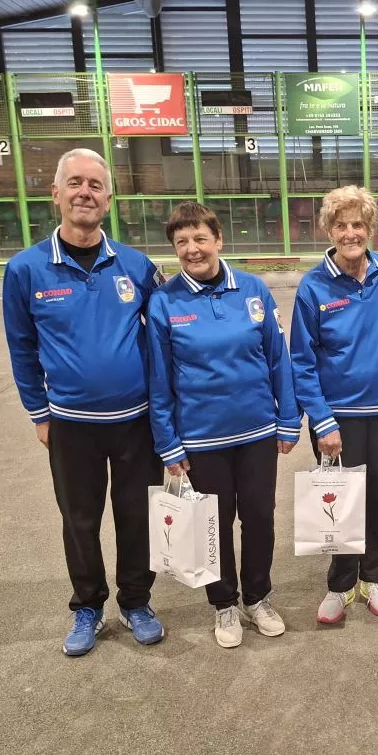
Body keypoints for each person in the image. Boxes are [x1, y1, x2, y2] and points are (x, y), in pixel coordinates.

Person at [2, 147, 165, 657]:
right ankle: (88, 605)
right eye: (75, 183)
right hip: (71, 423)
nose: (84, 193)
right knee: (79, 519)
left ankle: (136, 601)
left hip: (136, 421)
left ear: (109, 199)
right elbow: (21, 347)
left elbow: (165, 339)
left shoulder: (137, 266)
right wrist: (39, 412)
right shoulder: (25, 270)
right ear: (56, 194)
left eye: (95, 185)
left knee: (137, 515)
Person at [146, 202, 301, 649]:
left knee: (260, 518)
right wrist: (168, 443)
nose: (192, 249)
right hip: (200, 438)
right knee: (211, 526)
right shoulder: (164, 302)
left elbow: (278, 359)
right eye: (182, 242)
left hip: (257, 433)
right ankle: (224, 604)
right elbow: (159, 379)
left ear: (218, 240)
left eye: (200, 238)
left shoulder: (252, 290)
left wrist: (289, 418)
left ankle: (258, 598)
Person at [291, 186, 378, 624]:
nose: (350, 233)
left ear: (370, 228)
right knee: (339, 503)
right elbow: (301, 361)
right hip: (337, 417)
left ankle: (374, 578)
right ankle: (340, 585)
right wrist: (321, 420)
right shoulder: (313, 286)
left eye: (358, 224)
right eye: (341, 225)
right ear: (329, 230)